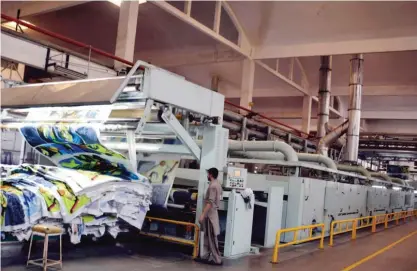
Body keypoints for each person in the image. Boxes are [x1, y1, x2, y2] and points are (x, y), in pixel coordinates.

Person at [196, 167, 223, 265]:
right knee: (208, 237)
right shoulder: (217, 184)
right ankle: (207, 257)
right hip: (212, 213)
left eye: (208, 174)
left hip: (210, 215)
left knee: (211, 237)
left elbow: (210, 202)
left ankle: (217, 260)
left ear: (211, 174)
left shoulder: (213, 186)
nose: (207, 175)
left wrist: (202, 215)